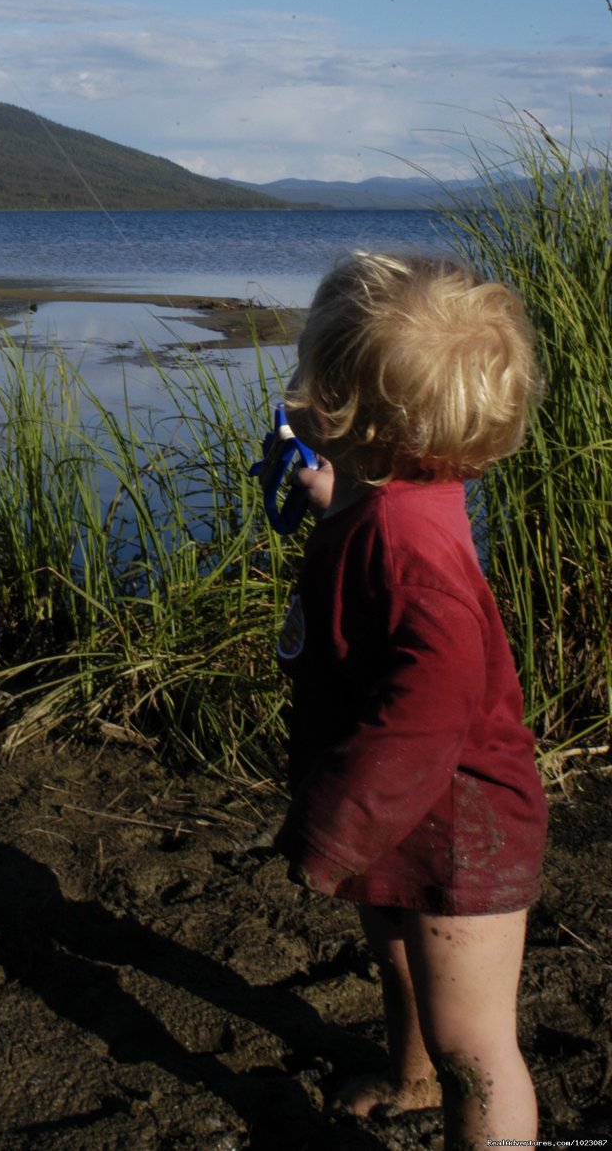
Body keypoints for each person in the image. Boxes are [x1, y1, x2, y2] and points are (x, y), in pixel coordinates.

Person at [265, 250, 548, 1150]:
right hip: (405, 808)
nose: (301, 391)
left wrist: (335, 829)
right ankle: (411, 1079)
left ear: (354, 415)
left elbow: (426, 717)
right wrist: (330, 493)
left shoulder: (415, 556)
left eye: (317, 379)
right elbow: (380, 504)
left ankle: (452, 1088)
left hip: (461, 822)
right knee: (396, 954)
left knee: (478, 1043)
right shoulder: (406, 492)